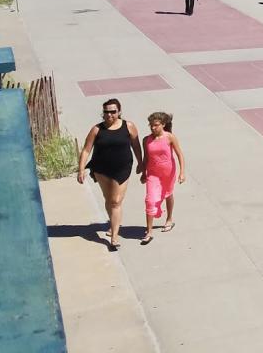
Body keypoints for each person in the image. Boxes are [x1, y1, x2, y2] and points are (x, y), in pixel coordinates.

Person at [77, 99, 143, 251]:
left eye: (113, 111)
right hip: (101, 169)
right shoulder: (96, 129)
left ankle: (114, 236)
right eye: (106, 112)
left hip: (122, 168)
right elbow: (86, 149)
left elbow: (136, 146)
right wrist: (81, 169)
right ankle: (113, 223)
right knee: (109, 200)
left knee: (116, 201)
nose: (109, 115)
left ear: (119, 111)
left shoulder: (129, 126)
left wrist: (141, 163)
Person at [139, 111, 185, 244]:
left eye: (156, 125)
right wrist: (143, 173)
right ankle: (149, 232)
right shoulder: (146, 140)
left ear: (163, 124)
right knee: (150, 199)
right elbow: (146, 158)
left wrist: (182, 172)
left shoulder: (170, 137)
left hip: (168, 172)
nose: (153, 128)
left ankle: (169, 219)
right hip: (153, 174)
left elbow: (179, 154)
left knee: (168, 194)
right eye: (151, 125)